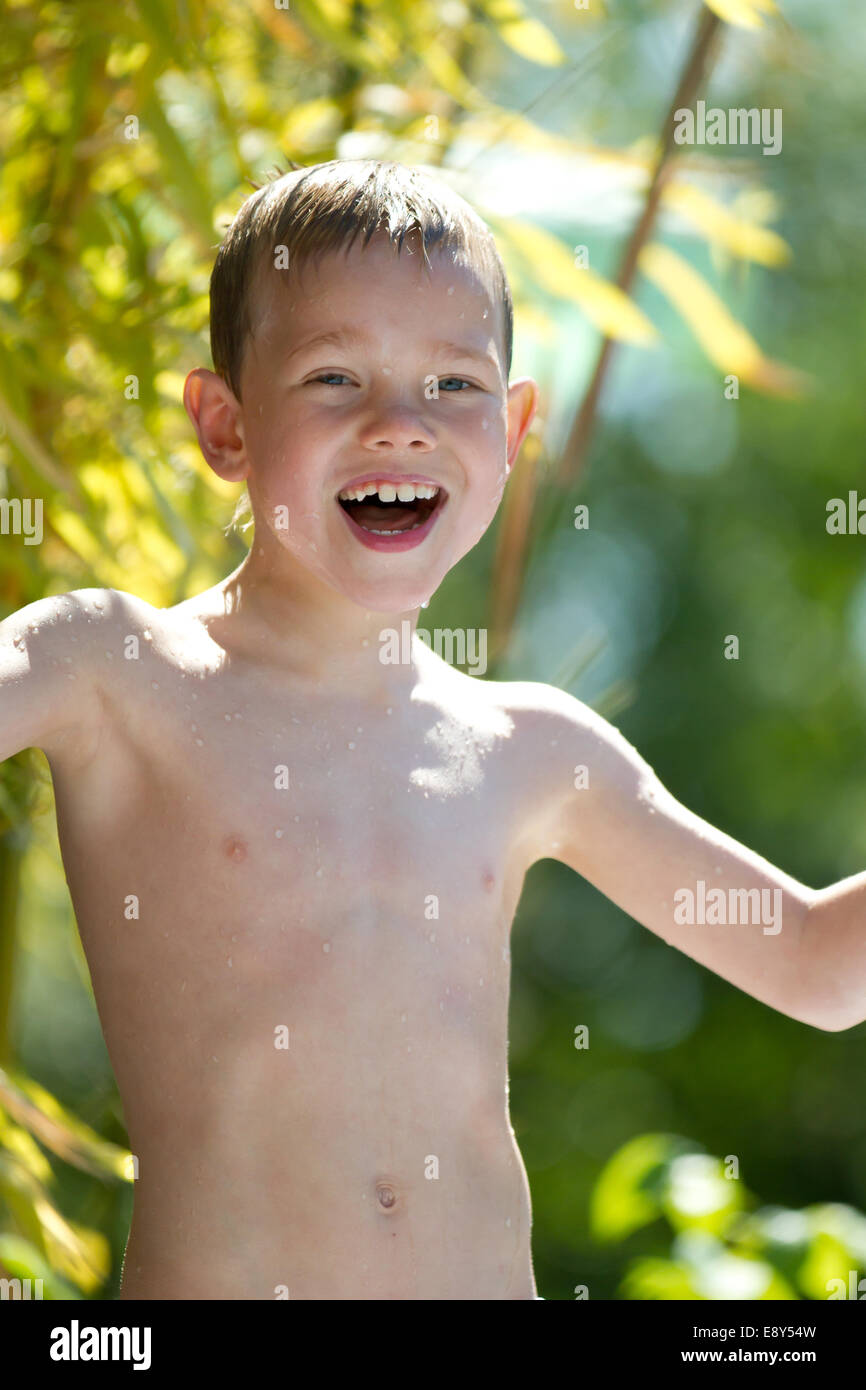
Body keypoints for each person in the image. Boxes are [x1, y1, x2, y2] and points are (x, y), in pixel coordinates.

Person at [0, 159, 861, 1301]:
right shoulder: (113, 669)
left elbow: (812, 963)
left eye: (452, 385)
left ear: (511, 431)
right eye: (334, 376)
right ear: (223, 423)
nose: (397, 424)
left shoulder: (532, 751)